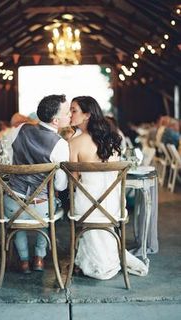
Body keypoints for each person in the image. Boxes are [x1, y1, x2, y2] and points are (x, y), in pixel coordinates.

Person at [69, 96, 148, 280]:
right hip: (113, 206)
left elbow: (73, 181)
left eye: (73, 110)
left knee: (76, 201)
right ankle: (103, 259)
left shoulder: (74, 143)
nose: (69, 114)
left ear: (87, 115)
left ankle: (90, 261)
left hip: (86, 209)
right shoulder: (112, 139)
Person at [4, 94, 71, 273]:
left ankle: (24, 261)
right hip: (41, 207)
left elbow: (7, 162)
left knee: (18, 221)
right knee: (51, 208)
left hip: (11, 203)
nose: (70, 115)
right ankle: (39, 258)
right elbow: (60, 186)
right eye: (67, 112)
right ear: (56, 121)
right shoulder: (61, 144)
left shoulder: (19, 130)